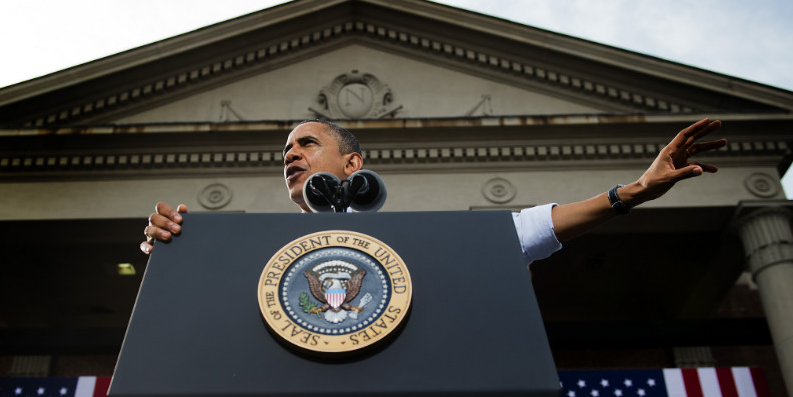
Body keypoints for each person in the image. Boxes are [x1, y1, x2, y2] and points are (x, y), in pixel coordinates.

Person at [141, 118, 726, 263]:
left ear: (353, 163)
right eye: (284, 152)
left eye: (306, 143)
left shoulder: (413, 241)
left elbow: (523, 232)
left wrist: (630, 192)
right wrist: (163, 246)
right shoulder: (253, 245)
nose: (290, 154)